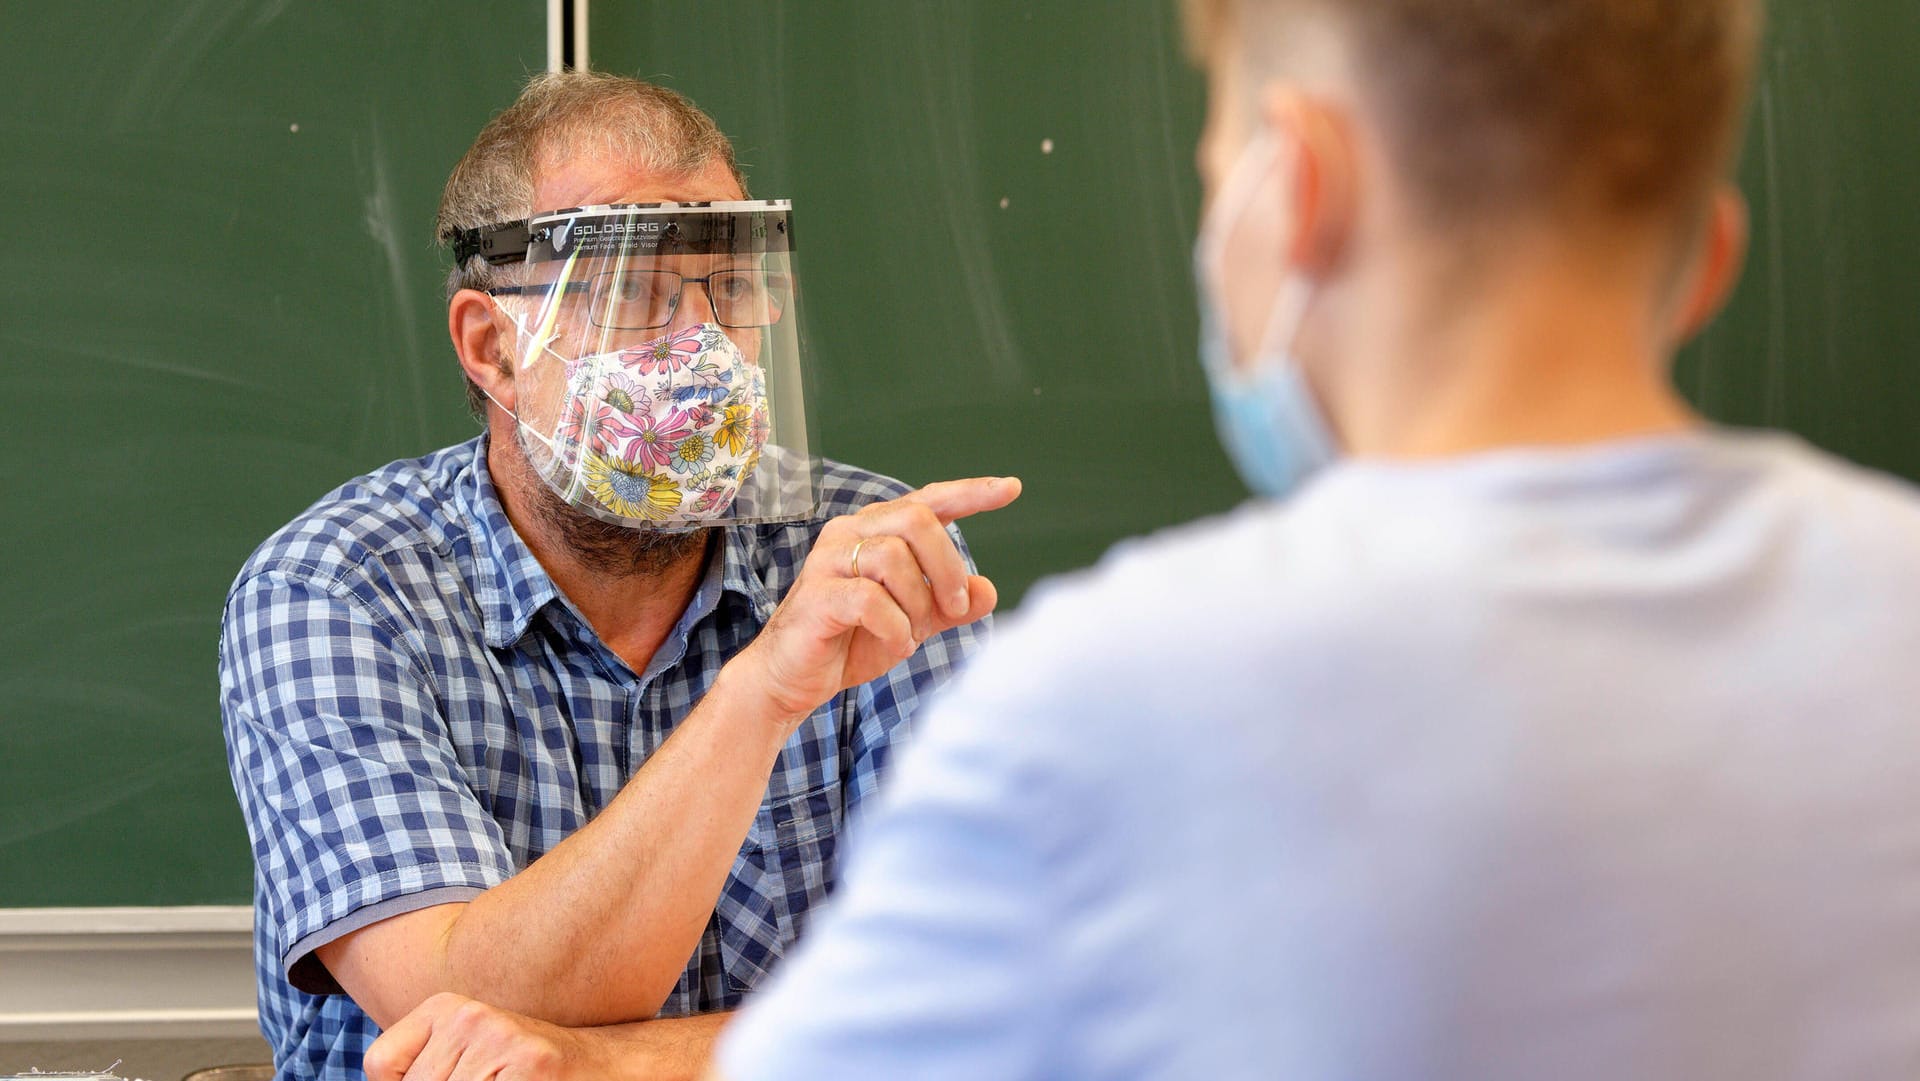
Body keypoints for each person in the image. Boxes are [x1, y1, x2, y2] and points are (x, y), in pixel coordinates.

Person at [365, 0, 1920, 1078]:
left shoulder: (1113, 694)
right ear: (1710, 255)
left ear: (1285, 195)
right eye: (647, 286)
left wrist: (578, 1057)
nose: (701, 339)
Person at [218, 71, 1018, 1081]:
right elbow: (454, 1015)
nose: (700, 346)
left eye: (727, 287)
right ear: (491, 346)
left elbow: (967, 1004)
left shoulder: (864, 559)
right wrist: (764, 691)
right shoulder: (336, 589)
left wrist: (601, 1065)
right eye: (631, 290)